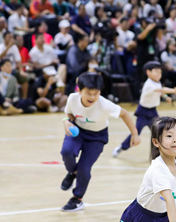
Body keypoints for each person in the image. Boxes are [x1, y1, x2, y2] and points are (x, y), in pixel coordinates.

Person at [60, 72, 141, 211]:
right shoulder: (72, 99)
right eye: (88, 93)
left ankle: (77, 199)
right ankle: (73, 172)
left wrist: (135, 134)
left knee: (84, 169)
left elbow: (125, 114)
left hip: (96, 137)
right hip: (78, 130)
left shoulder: (104, 104)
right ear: (79, 90)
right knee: (66, 152)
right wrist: (66, 122)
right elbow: (69, 114)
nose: (92, 97)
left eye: (96, 93)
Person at [112, 61, 176, 158]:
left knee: (159, 131)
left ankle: (161, 153)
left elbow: (160, 91)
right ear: (148, 72)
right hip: (143, 112)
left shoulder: (156, 82)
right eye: (156, 71)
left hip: (153, 111)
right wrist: (174, 90)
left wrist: (166, 97)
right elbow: (161, 89)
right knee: (136, 132)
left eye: (160, 72)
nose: (158, 74)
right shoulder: (149, 84)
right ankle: (121, 147)